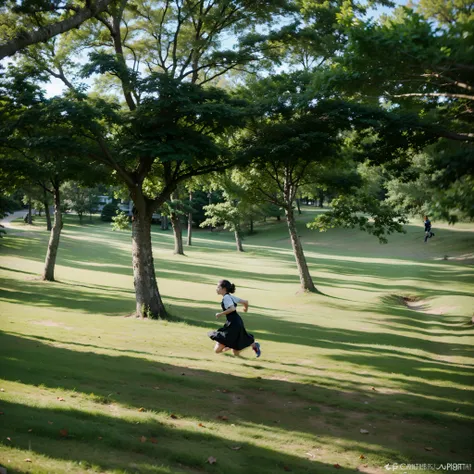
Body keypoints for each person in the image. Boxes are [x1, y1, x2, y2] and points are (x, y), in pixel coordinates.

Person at [208, 279, 261, 358]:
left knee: (217, 350)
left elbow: (232, 309)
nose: (216, 289)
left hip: (234, 323)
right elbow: (245, 302)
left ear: (224, 289)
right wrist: (245, 309)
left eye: (218, 287)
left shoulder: (227, 298)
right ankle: (253, 344)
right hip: (236, 322)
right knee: (235, 351)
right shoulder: (230, 297)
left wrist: (220, 314)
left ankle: (252, 344)